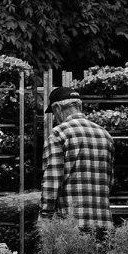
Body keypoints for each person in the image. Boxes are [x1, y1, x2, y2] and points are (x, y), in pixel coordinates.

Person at [41, 85, 115, 234]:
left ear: (57, 108)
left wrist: (45, 216)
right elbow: (110, 181)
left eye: (54, 114)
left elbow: (52, 182)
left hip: (71, 225)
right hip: (103, 225)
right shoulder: (105, 134)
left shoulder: (59, 134)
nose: (55, 118)